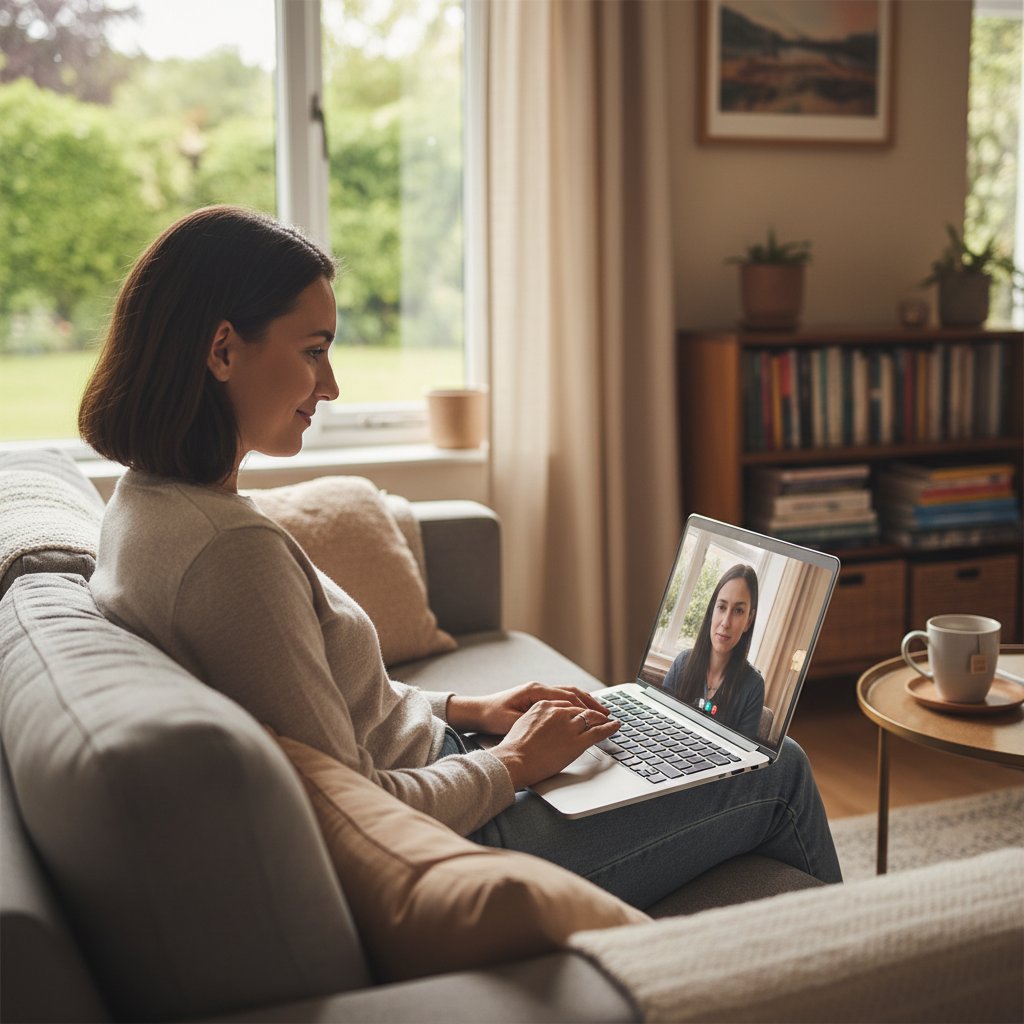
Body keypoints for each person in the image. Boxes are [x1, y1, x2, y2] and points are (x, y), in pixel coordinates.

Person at [81, 206, 841, 909]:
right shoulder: (228, 556)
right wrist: (513, 763)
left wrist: (472, 710)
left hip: (451, 766)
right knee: (776, 768)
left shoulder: (145, 506)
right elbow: (358, 811)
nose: (332, 385)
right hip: (461, 836)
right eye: (314, 351)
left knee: (676, 740)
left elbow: (341, 721)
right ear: (222, 349)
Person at [662, 563, 766, 739]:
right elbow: (658, 722)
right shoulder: (682, 663)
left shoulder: (753, 687)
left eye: (738, 611)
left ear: (749, 621)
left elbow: (745, 761)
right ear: (712, 611)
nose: (726, 622)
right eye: (722, 607)